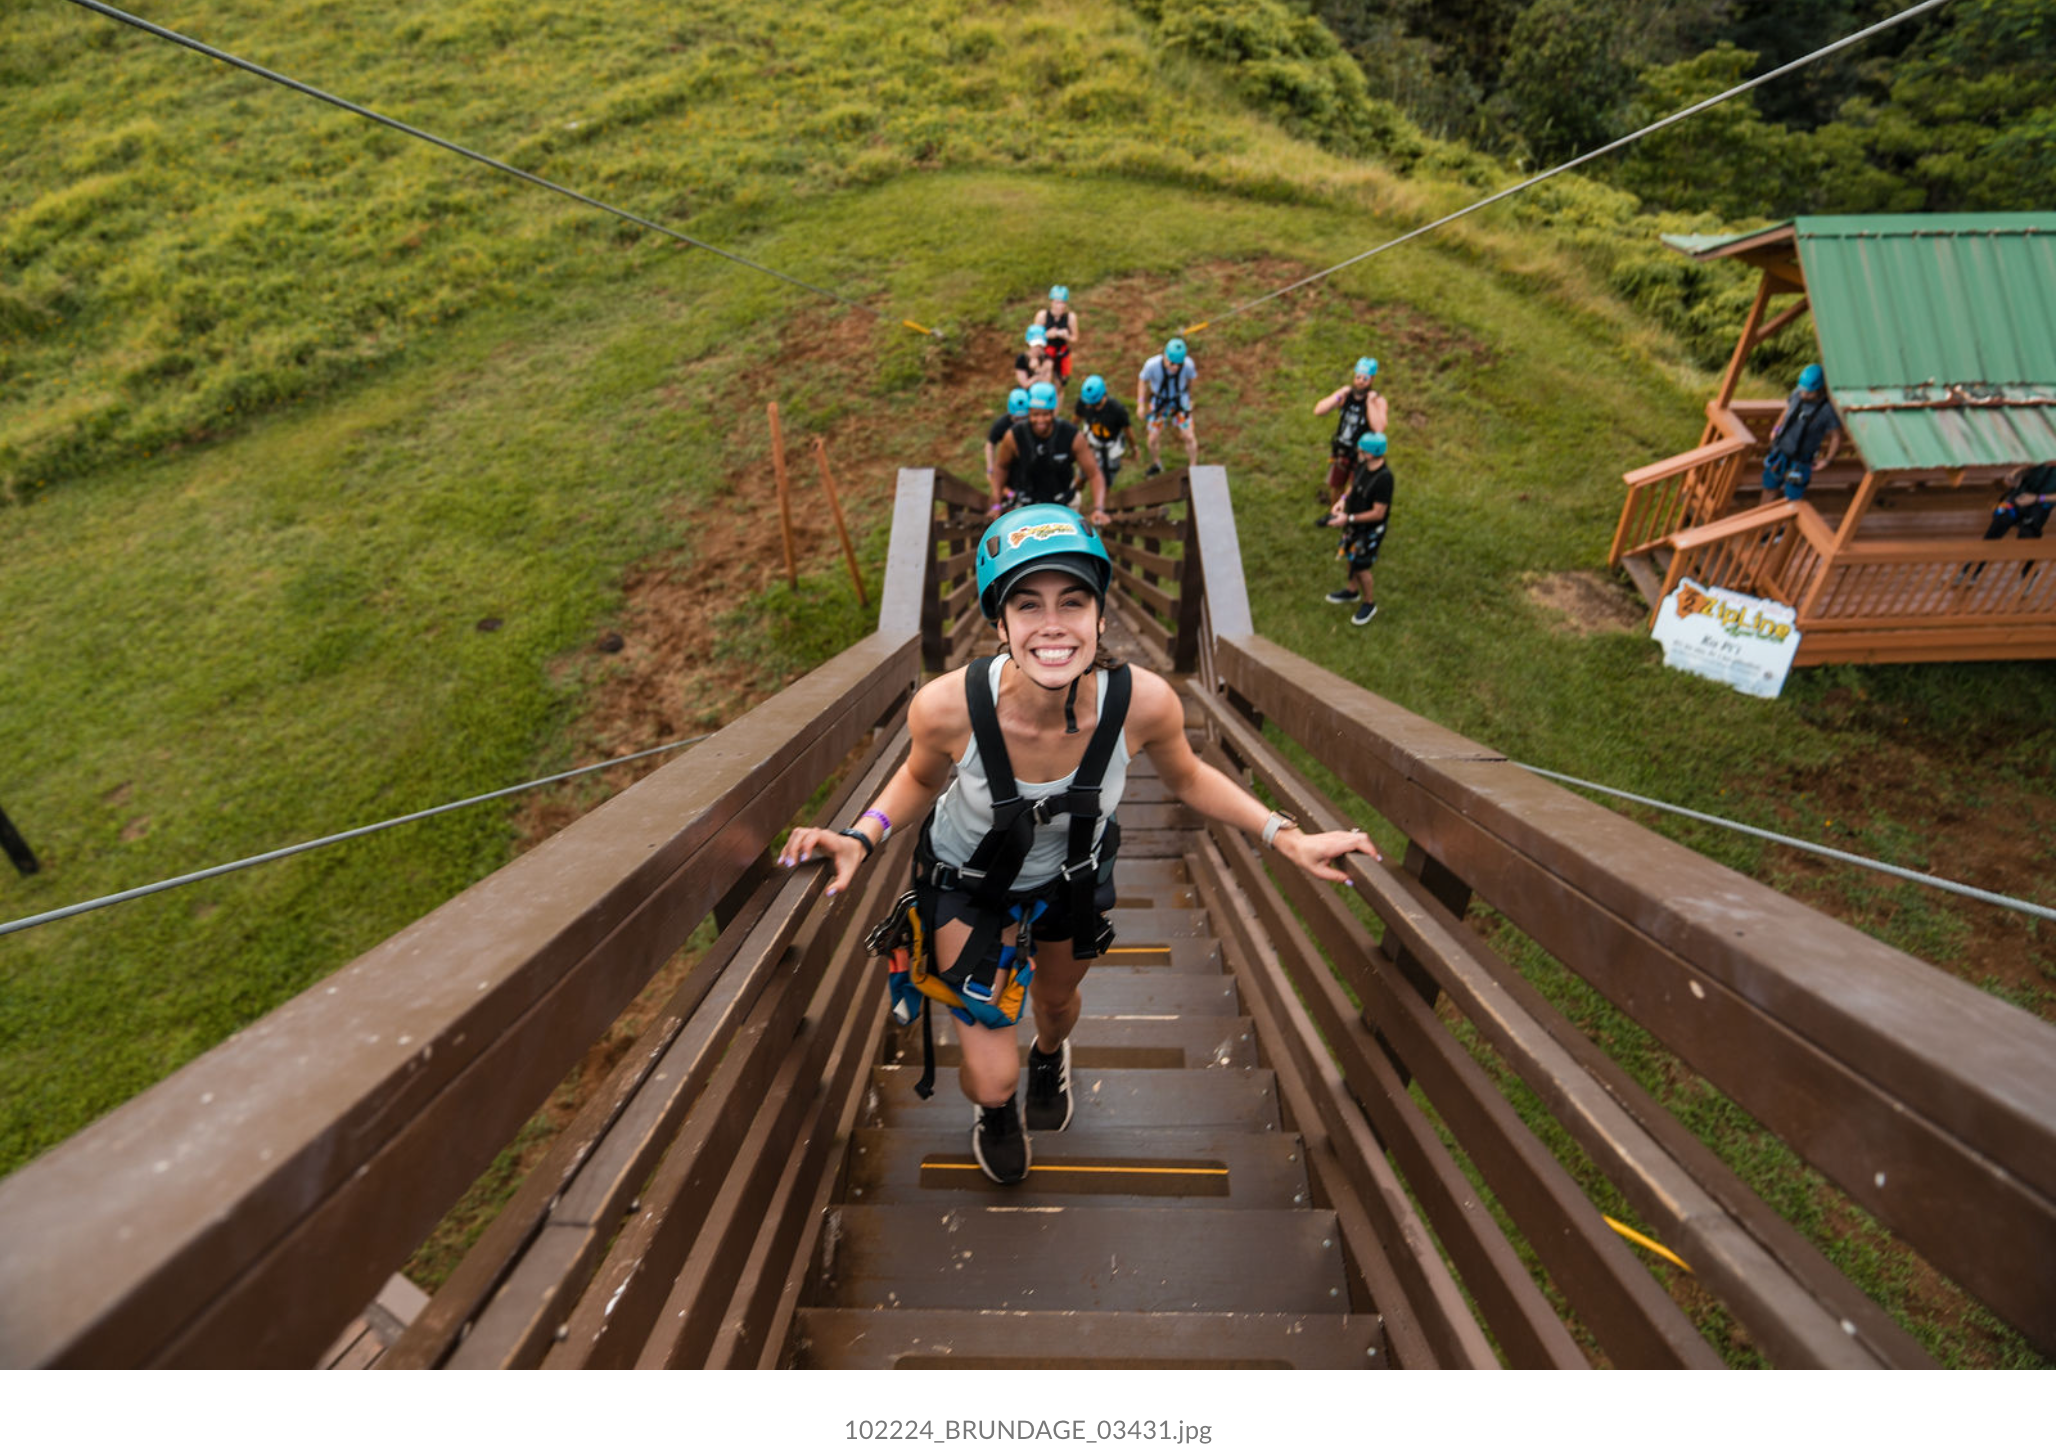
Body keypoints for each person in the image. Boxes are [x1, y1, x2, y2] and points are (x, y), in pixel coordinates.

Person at [776, 506, 1379, 1183]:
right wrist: (863, 834)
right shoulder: (948, 708)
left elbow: (1188, 777)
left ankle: (1050, 1054)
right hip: (967, 886)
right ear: (1000, 625)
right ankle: (998, 1108)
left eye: (1073, 600)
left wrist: (1285, 836)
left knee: (1057, 1004)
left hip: (1069, 878)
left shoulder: (1143, 705)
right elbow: (919, 777)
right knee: (989, 1079)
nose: (1053, 624)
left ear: (1100, 616)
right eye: (1027, 605)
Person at [990, 381, 1109, 520]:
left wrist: (1099, 508)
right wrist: (996, 505)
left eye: (1045, 414)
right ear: (1029, 412)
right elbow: (1001, 467)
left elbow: (1094, 473)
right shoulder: (1014, 437)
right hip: (1027, 505)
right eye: (1035, 414)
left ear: (1054, 411)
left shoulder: (1071, 435)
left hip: (1063, 504)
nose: (1040, 420)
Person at [1322, 431, 1392, 627]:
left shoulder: (1384, 479)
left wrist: (1349, 518)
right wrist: (1342, 502)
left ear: (1370, 454)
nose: (1358, 452)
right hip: (1353, 522)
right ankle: (1351, 591)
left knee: (1362, 566)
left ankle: (1369, 603)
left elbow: (1378, 513)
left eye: (1361, 450)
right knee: (1350, 556)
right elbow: (1353, 485)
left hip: (1369, 530)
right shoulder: (1363, 466)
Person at [1312, 357, 1389, 505]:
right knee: (1336, 484)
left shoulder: (1378, 401)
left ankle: (1349, 511)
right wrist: (1339, 394)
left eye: (1365, 378)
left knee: (1356, 486)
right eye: (1358, 377)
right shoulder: (1346, 395)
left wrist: (1370, 403)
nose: (1360, 381)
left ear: (1372, 379)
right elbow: (1319, 410)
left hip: (1362, 452)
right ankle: (1335, 511)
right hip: (1342, 448)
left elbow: (1379, 428)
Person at [1761, 364, 1842, 500]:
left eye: (1809, 393)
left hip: (1800, 462)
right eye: (1802, 390)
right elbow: (1787, 410)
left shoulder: (1827, 410)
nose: (1803, 394)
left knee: (1792, 496)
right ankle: (1761, 518)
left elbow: (1836, 436)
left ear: (1820, 390)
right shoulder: (1796, 393)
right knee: (1769, 487)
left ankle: (1784, 521)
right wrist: (1776, 429)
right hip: (1780, 453)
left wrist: (1827, 460)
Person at [1137, 337, 1197, 476]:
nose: (1175, 367)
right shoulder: (1152, 365)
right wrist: (1141, 403)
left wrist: (1190, 399)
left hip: (1179, 400)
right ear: (1165, 356)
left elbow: (1190, 380)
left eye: (1178, 364)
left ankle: (1193, 466)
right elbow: (1142, 380)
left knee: (1188, 436)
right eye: (1172, 364)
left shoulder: (1187, 365)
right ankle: (1157, 464)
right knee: (1152, 439)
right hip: (1160, 402)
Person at [1072, 374, 1135, 491]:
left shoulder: (1117, 410)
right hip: (1092, 441)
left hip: (1111, 447)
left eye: (1092, 404)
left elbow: (1128, 430)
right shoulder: (1084, 402)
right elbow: (1076, 419)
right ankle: (1074, 497)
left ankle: (1103, 505)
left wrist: (1134, 448)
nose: (1088, 406)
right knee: (1081, 475)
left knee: (1106, 482)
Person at [1034, 286, 1080, 388]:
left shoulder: (1071, 318)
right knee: (1046, 374)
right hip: (1046, 350)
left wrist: (1067, 336)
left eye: (1063, 303)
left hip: (1062, 352)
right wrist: (1046, 335)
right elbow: (1033, 338)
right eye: (1057, 303)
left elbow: (1075, 338)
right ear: (1051, 302)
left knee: (1060, 385)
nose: (1060, 306)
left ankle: (1057, 402)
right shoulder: (1042, 316)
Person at [984, 388, 1032, 486]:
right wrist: (990, 468)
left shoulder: (1034, 422)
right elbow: (990, 445)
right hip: (1011, 463)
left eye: (1024, 419)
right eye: (1017, 419)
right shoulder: (1002, 424)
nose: (1020, 423)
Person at [1014, 326, 1057, 394]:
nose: (1037, 348)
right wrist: (1038, 376)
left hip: (1041, 394)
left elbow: (1046, 383)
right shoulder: (1021, 359)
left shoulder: (1047, 359)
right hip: (1025, 394)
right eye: (1035, 345)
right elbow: (1024, 385)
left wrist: (1036, 369)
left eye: (1040, 345)